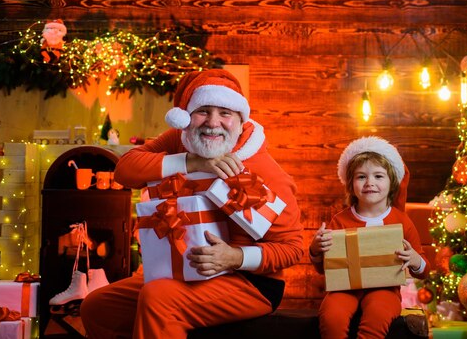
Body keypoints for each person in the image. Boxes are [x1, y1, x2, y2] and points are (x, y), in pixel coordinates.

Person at [80, 69, 304, 338]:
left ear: (241, 120)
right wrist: (191, 162)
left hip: (249, 281)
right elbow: (125, 170)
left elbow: (292, 248)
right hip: (182, 269)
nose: (213, 122)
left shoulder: (264, 169)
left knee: (159, 298)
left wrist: (234, 257)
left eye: (225, 113)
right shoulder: (182, 140)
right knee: (97, 307)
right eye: (203, 111)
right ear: (186, 116)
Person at [309, 136, 431, 339]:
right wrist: (316, 249)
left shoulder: (401, 221)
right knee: (332, 317)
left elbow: (424, 270)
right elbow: (325, 269)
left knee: (377, 315)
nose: (370, 183)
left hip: (386, 290)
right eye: (361, 177)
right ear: (351, 184)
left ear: (391, 182)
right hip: (344, 290)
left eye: (378, 176)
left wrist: (415, 260)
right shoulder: (340, 220)